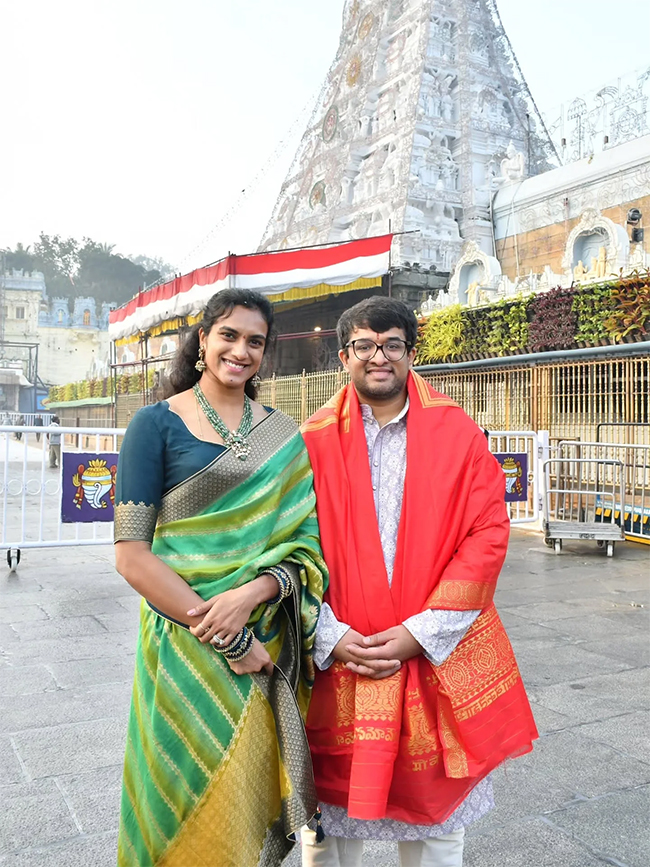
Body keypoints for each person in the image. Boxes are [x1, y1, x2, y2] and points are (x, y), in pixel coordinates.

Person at [300, 296, 538, 867]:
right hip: (337, 650)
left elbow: (487, 534)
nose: (378, 356)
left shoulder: (457, 433)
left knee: (434, 822)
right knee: (329, 824)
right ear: (344, 355)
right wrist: (325, 633)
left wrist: (422, 632)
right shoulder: (307, 442)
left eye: (392, 345)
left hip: (431, 649)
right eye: (364, 345)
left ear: (410, 353)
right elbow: (286, 545)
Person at [113, 289, 327, 867]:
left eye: (255, 341)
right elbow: (132, 556)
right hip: (183, 644)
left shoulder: (283, 435)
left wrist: (254, 596)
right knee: (175, 786)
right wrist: (227, 635)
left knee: (247, 793)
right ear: (202, 339)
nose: (240, 350)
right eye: (228, 335)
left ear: (266, 352)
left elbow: (305, 544)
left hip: (266, 645)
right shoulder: (154, 425)